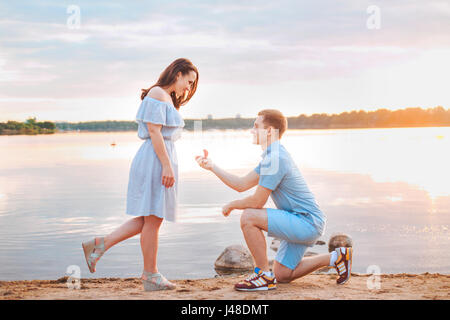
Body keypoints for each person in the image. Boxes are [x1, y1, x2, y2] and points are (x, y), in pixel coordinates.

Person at [195, 109, 352, 291]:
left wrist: (232, 205)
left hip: (307, 222)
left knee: (249, 216)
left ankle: (262, 275)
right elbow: (241, 184)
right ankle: (337, 257)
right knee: (283, 275)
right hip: (303, 221)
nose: (251, 130)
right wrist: (213, 167)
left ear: (269, 131)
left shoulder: (275, 158)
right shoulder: (273, 157)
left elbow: (257, 202)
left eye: (256, 126)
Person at [82, 58, 199, 291]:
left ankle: (100, 245)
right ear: (177, 74)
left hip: (159, 158)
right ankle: (150, 274)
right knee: (154, 219)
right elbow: (155, 132)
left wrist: (168, 164)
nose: (189, 88)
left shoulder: (165, 97)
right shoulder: (157, 94)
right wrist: (166, 166)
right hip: (155, 160)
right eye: (189, 81)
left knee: (151, 218)